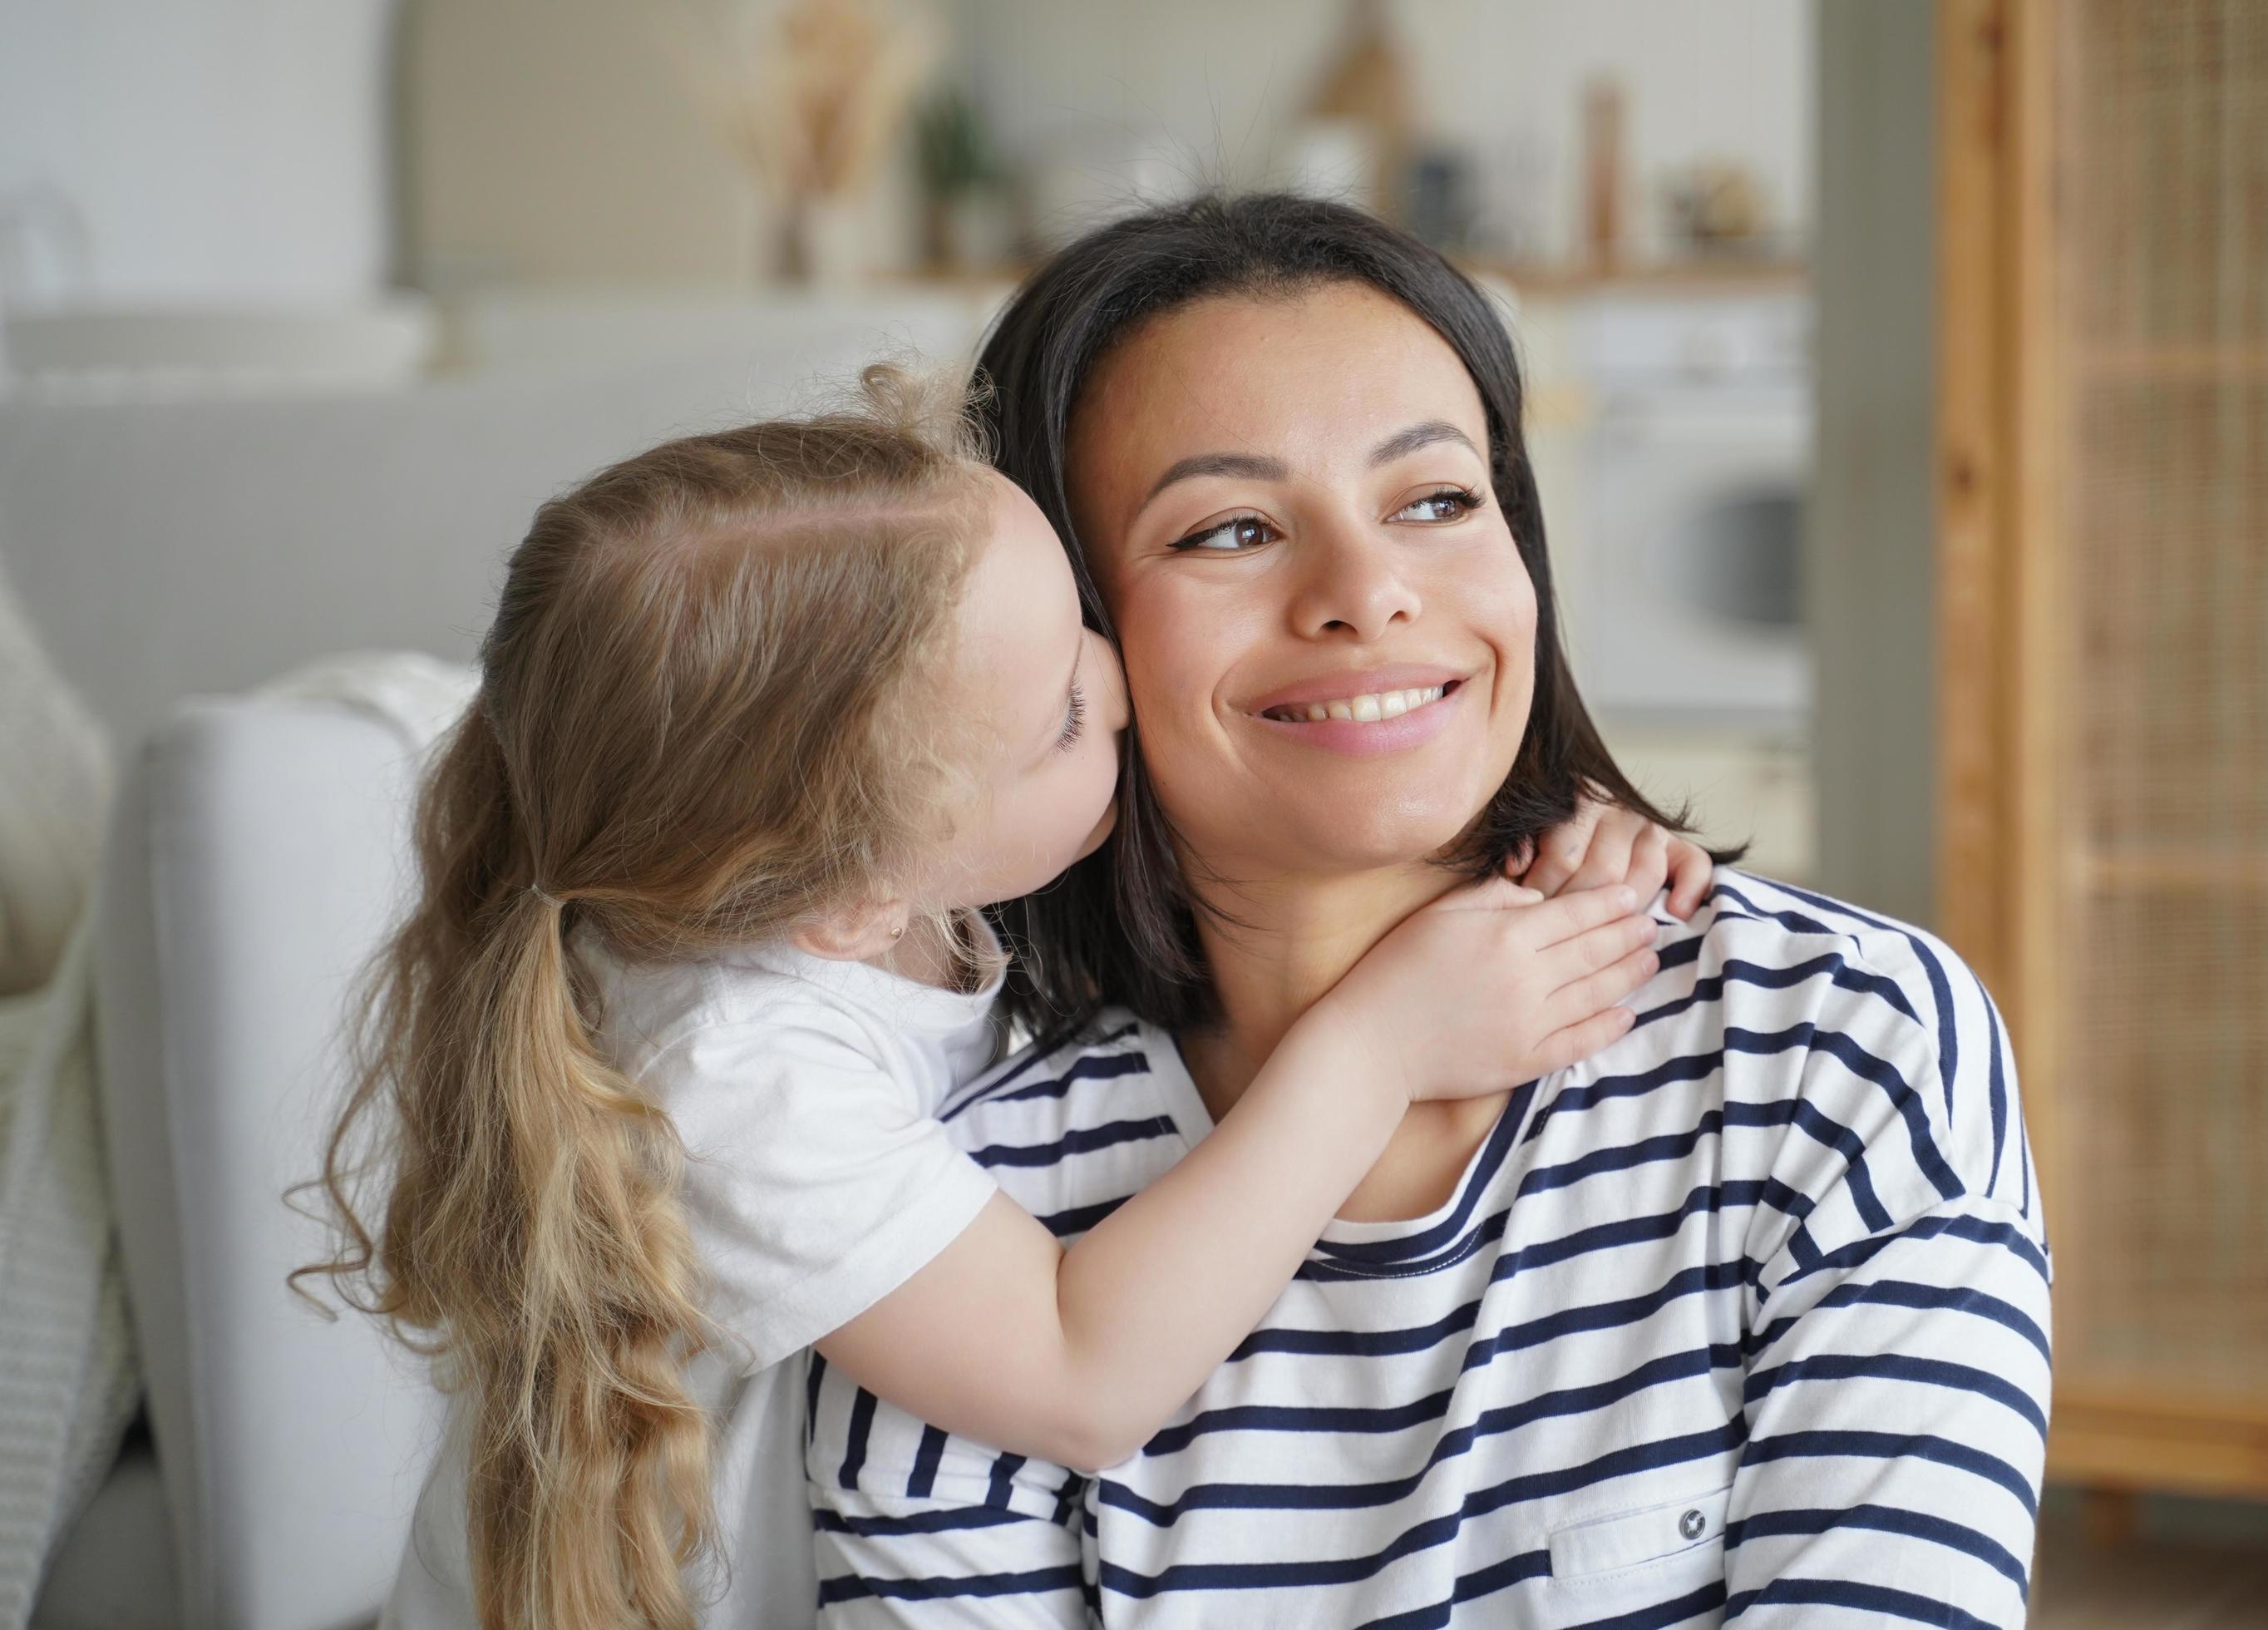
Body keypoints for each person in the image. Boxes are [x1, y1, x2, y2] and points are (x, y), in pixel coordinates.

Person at [806, 194, 2052, 1628]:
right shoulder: (967, 1239)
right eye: (1228, 530)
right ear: (1061, 639)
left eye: (1436, 500)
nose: (1367, 593)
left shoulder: (1832, 1045)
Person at [311, 367, 1714, 1628]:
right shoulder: (734, 1074)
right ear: (858, 894)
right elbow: (1080, 1375)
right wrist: (1384, 1040)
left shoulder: (877, 867)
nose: (1114, 683)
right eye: (1057, 719)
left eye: (1084, 623)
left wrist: (1553, 829)